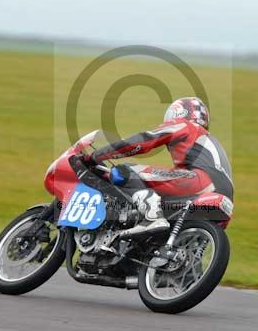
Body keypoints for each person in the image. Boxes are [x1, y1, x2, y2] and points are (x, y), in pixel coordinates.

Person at [89, 97, 233, 237]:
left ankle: (152, 217)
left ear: (179, 113)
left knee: (126, 171)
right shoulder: (211, 141)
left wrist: (98, 155)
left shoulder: (185, 126)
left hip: (199, 181)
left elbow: (145, 140)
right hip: (225, 197)